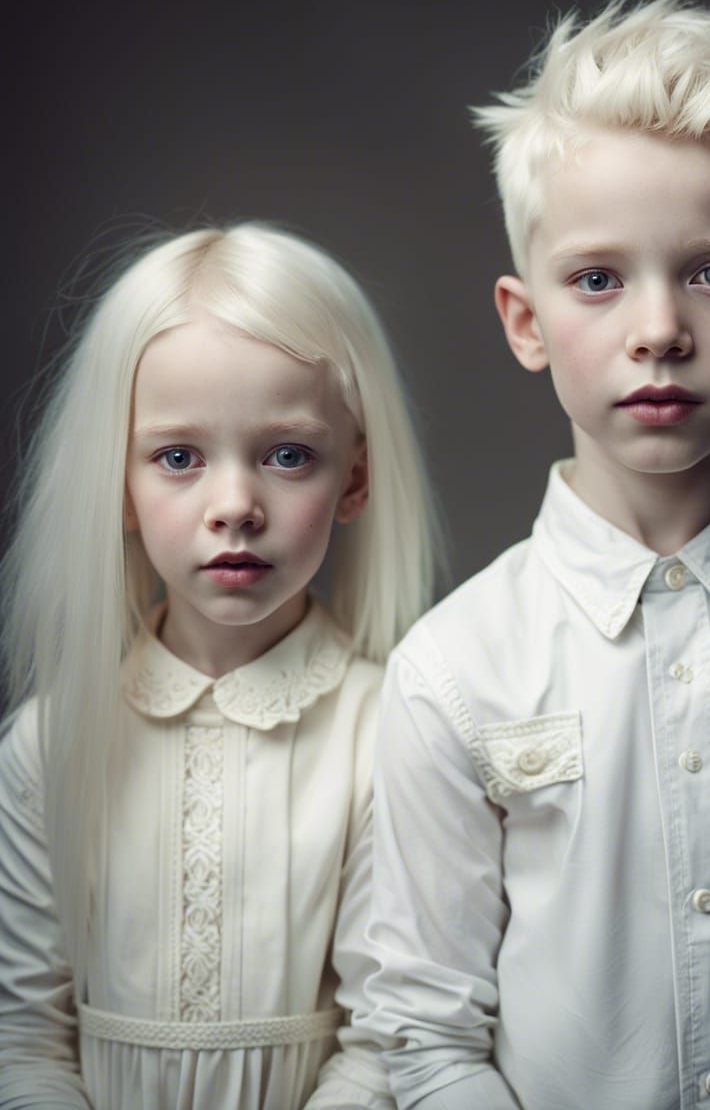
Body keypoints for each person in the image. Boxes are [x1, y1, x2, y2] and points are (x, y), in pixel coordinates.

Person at [361, 0, 710, 1110]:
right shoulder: (452, 673)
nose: (657, 327)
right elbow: (421, 1033)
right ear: (524, 321)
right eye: (597, 279)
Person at [0, 221, 439, 1109]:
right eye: (177, 458)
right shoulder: (47, 742)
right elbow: (21, 1036)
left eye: (288, 456)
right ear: (116, 485)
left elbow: (387, 1035)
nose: (234, 506)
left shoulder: (391, 727)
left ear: (353, 480)